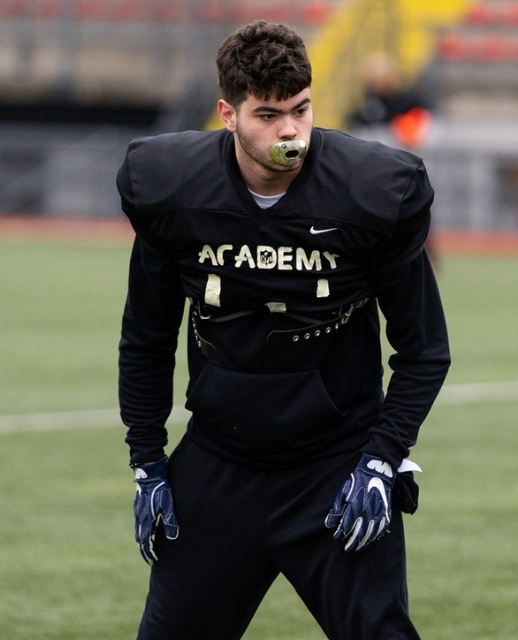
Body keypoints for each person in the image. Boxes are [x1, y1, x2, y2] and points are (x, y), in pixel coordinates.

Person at [116, 20, 449, 640]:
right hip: (219, 463)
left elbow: (425, 350)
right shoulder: (173, 189)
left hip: (336, 467)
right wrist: (147, 461)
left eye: (300, 110)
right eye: (268, 114)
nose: (290, 130)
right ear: (227, 114)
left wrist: (382, 460)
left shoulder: (372, 191)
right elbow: (146, 337)